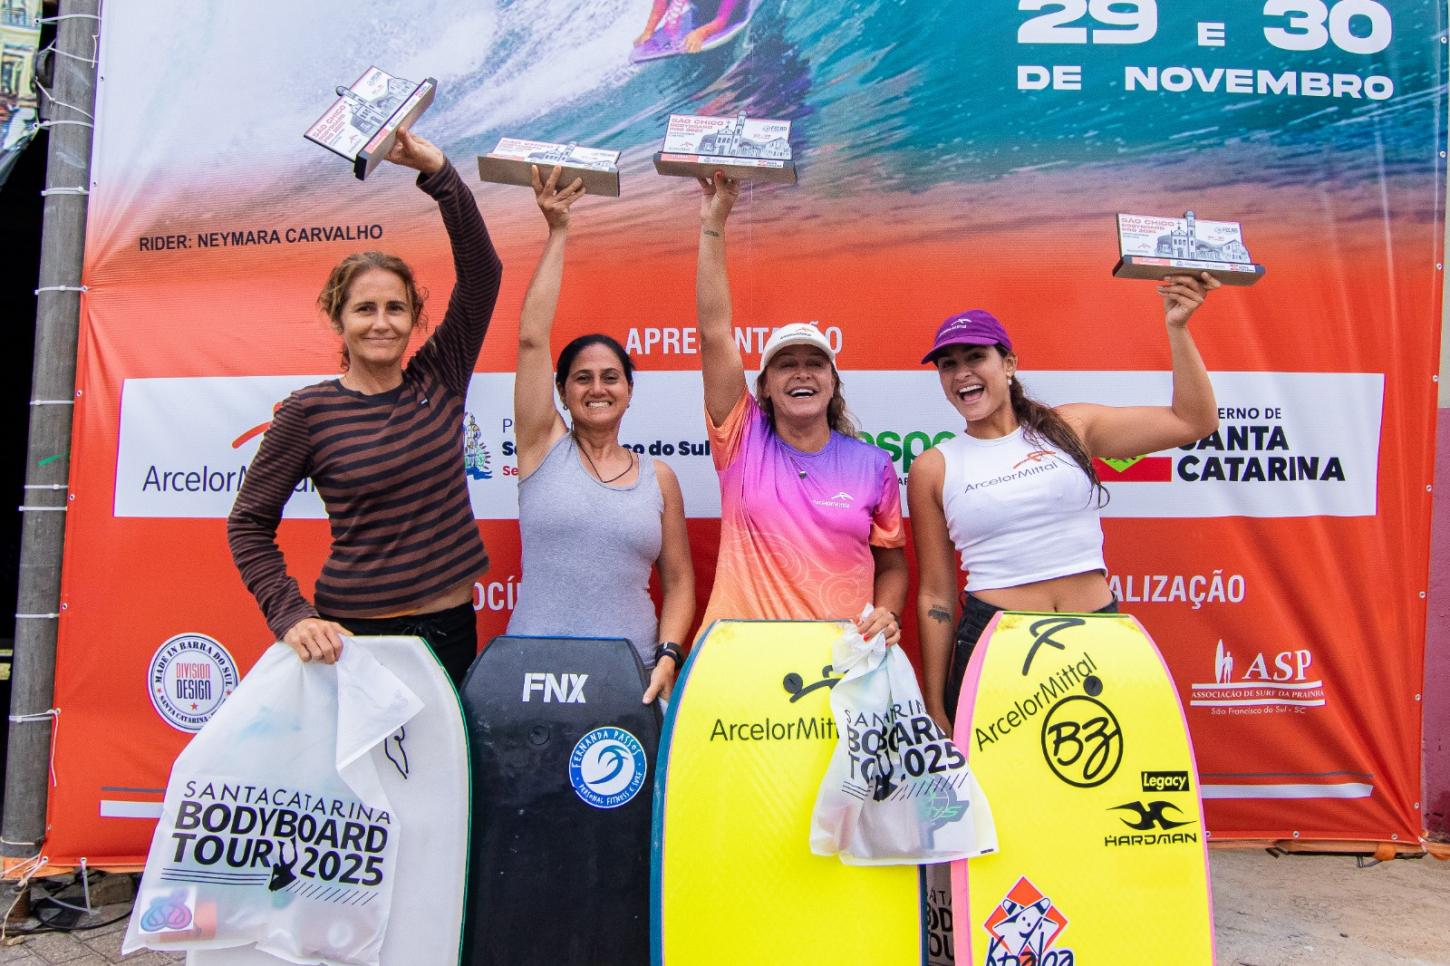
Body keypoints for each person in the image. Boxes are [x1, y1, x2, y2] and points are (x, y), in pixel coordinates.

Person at [227, 129, 503, 685]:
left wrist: (441, 174)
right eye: (365, 309)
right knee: (364, 775)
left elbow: (483, 276)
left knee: (446, 773)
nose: (381, 322)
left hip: (450, 628)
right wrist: (292, 615)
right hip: (355, 637)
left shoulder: (440, 374)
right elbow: (249, 525)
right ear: (340, 320)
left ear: (413, 320)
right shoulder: (308, 412)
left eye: (396, 307)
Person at [908, 275, 1221, 732]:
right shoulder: (934, 467)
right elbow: (936, 594)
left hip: (1095, 631)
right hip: (997, 645)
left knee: (1101, 786)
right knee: (1004, 796)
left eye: (976, 357)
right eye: (947, 365)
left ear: (1009, 363)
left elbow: (1193, 420)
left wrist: (1178, 327)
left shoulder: (1069, 426)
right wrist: (935, 706)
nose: (961, 374)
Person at [505, 167, 696, 703]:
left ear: (629, 391)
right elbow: (530, 341)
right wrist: (557, 231)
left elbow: (679, 582)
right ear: (562, 392)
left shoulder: (659, 479)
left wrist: (668, 654)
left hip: (628, 676)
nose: (597, 388)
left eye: (610, 377)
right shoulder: (543, 447)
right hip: (533, 674)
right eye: (582, 378)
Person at [694, 172, 906, 644]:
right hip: (745, 653)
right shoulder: (742, 440)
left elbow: (891, 562)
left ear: (833, 383)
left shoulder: (873, 465)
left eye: (816, 364)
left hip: (842, 662)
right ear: (764, 388)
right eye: (785, 365)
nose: (802, 373)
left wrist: (887, 613)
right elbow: (714, 333)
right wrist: (714, 224)